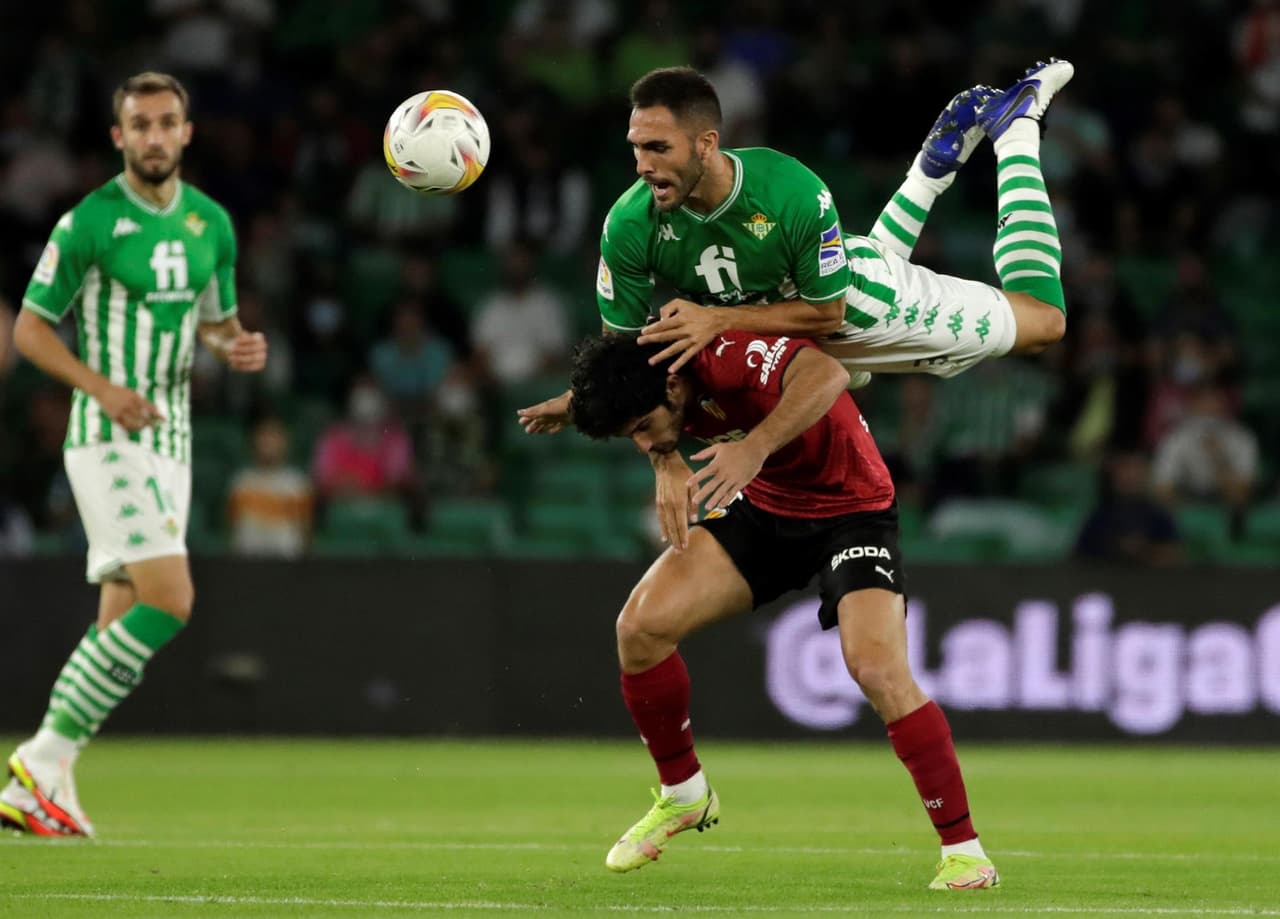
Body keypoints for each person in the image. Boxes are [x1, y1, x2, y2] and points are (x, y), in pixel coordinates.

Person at [563, 332, 999, 891]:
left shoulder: (727, 355)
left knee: (876, 669)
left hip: (852, 510)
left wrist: (753, 446)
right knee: (640, 628)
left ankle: (966, 855)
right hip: (765, 508)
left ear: (672, 385)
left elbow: (827, 375)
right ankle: (685, 794)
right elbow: (608, 401)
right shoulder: (645, 380)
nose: (646, 444)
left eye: (645, 429)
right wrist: (566, 409)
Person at [519, 60, 1072, 436]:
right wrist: (582, 404)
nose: (643, 166)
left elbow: (829, 311)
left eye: (659, 148)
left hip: (855, 309)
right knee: (838, 369)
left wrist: (717, 320)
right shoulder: (628, 225)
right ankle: (930, 170)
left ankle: (1016, 126)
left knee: (1043, 323)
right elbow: (626, 365)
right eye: (637, 148)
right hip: (788, 333)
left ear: (707, 144)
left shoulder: (790, 191)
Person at [0, 72, 268, 837]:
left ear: (187, 132)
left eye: (166, 122)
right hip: (107, 434)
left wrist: (234, 343)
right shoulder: (89, 220)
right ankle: (42, 755)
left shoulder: (211, 222)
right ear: (118, 137)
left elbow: (216, 320)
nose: (154, 136)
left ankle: (43, 783)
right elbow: (30, 329)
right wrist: (101, 387)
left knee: (118, 616)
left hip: (172, 440)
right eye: (139, 124)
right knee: (170, 599)